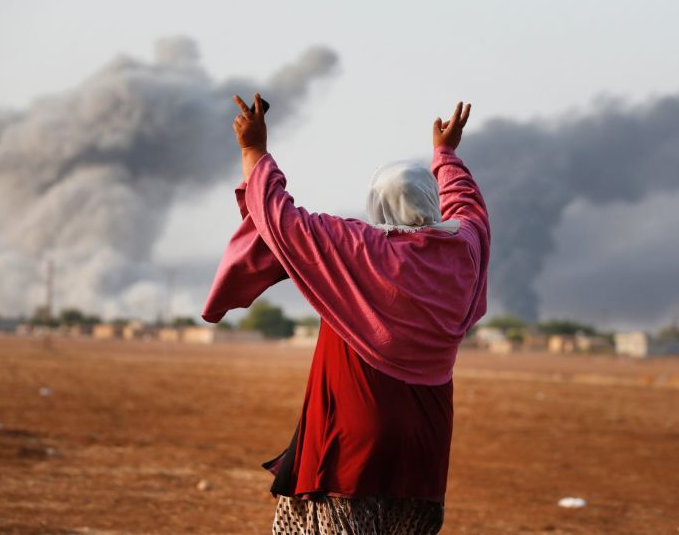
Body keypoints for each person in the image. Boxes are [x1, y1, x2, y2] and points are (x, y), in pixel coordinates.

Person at [202, 94, 490, 534]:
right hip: (425, 448)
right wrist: (446, 156)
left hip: (352, 445)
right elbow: (469, 205)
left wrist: (253, 150)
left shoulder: (359, 249)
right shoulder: (464, 251)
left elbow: (279, 218)